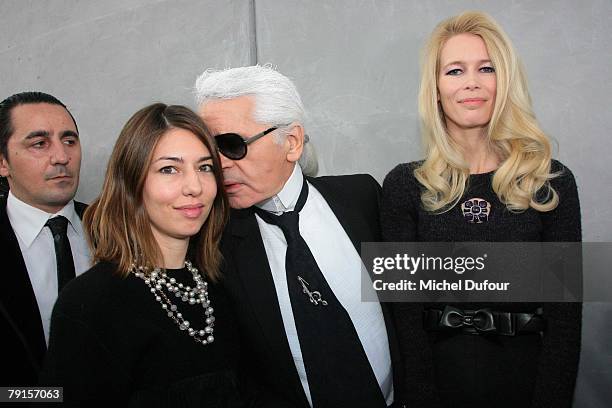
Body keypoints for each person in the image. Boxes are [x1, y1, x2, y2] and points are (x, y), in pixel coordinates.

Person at [381, 11, 581, 408]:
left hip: (527, 380)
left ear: (503, 80)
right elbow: (403, 319)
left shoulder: (550, 182)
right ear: (435, 88)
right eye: (454, 71)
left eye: (485, 68)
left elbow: (566, 317)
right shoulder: (403, 186)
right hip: (438, 383)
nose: (471, 82)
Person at [195, 65, 402, 408]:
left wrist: (521, 276)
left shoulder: (362, 197)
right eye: (208, 150)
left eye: (231, 145)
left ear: (291, 142)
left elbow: (433, 282)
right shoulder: (211, 244)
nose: (219, 164)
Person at [40, 103, 251, 407]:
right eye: (169, 169)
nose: (195, 186)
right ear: (132, 183)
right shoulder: (91, 303)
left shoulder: (225, 283)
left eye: (205, 167)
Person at [0, 92, 89, 386]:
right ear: (3, 162)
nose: (62, 157)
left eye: (69, 140)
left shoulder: (119, 231)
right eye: (40, 143)